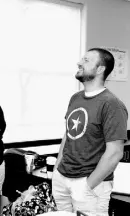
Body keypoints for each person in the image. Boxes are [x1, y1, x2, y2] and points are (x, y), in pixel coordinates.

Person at [52, 48, 128, 216]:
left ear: (100, 69)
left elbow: (115, 153)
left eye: (86, 60)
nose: (79, 63)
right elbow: (68, 136)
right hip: (62, 178)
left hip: (89, 186)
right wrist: (57, 172)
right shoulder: (76, 98)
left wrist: (87, 186)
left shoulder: (112, 104)